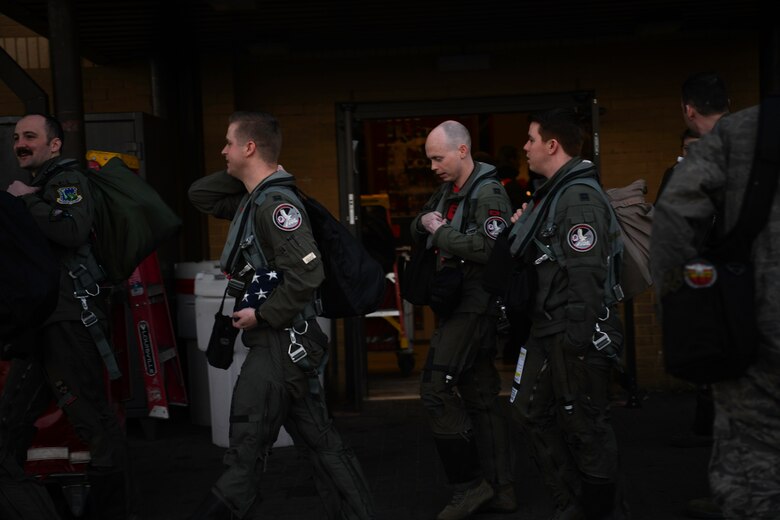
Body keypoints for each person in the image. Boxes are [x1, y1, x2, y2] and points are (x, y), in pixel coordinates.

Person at [187, 111, 375, 520]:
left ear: (249, 147)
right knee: (322, 444)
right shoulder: (253, 198)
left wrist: (263, 315)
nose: (223, 150)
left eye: (229, 144)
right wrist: (255, 173)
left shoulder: (276, 204)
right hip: (286, 342)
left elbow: (309, 271)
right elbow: (199, 194)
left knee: (245, 447)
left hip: (279, 340)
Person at [650, 100, 780, 519]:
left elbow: (674, 212)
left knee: (753, 466)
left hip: (758, 326)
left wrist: (682, 310)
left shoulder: (747, 130)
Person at [0, 114, 129, 518]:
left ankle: (112, 511)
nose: (20, 143)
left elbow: (72, 231)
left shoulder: (66, 182)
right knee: (10, 420)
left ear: (54, 144)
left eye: (30, 136)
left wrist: (25, 200)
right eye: (17, 137)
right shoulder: (42, 185)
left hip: (70, 319)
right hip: (42, 322)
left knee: (93, 421)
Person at [505, 108, 626, 519]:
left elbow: (587, 275)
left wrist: (577, 340)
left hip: (573, 329)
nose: (525, 146)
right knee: (528, 411)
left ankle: (600, 511)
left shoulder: (578, 197)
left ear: (552, 145)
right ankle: (571, 501)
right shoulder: (551, 194)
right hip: (546, 329)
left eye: (531, 138)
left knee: (585, 424)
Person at [410, 120, 515, 520]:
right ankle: (503, 491)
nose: (433, 165)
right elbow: (419, 223)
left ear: (462, 151)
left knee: (435, 390)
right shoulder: (446, 191)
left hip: (476, 306)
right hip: (456, 304)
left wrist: (439, 234)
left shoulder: (489, 193)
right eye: (430, 159)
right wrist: (424, 224)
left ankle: (470, 486)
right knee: (482, 398)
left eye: (438, 157)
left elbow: (493, 249)